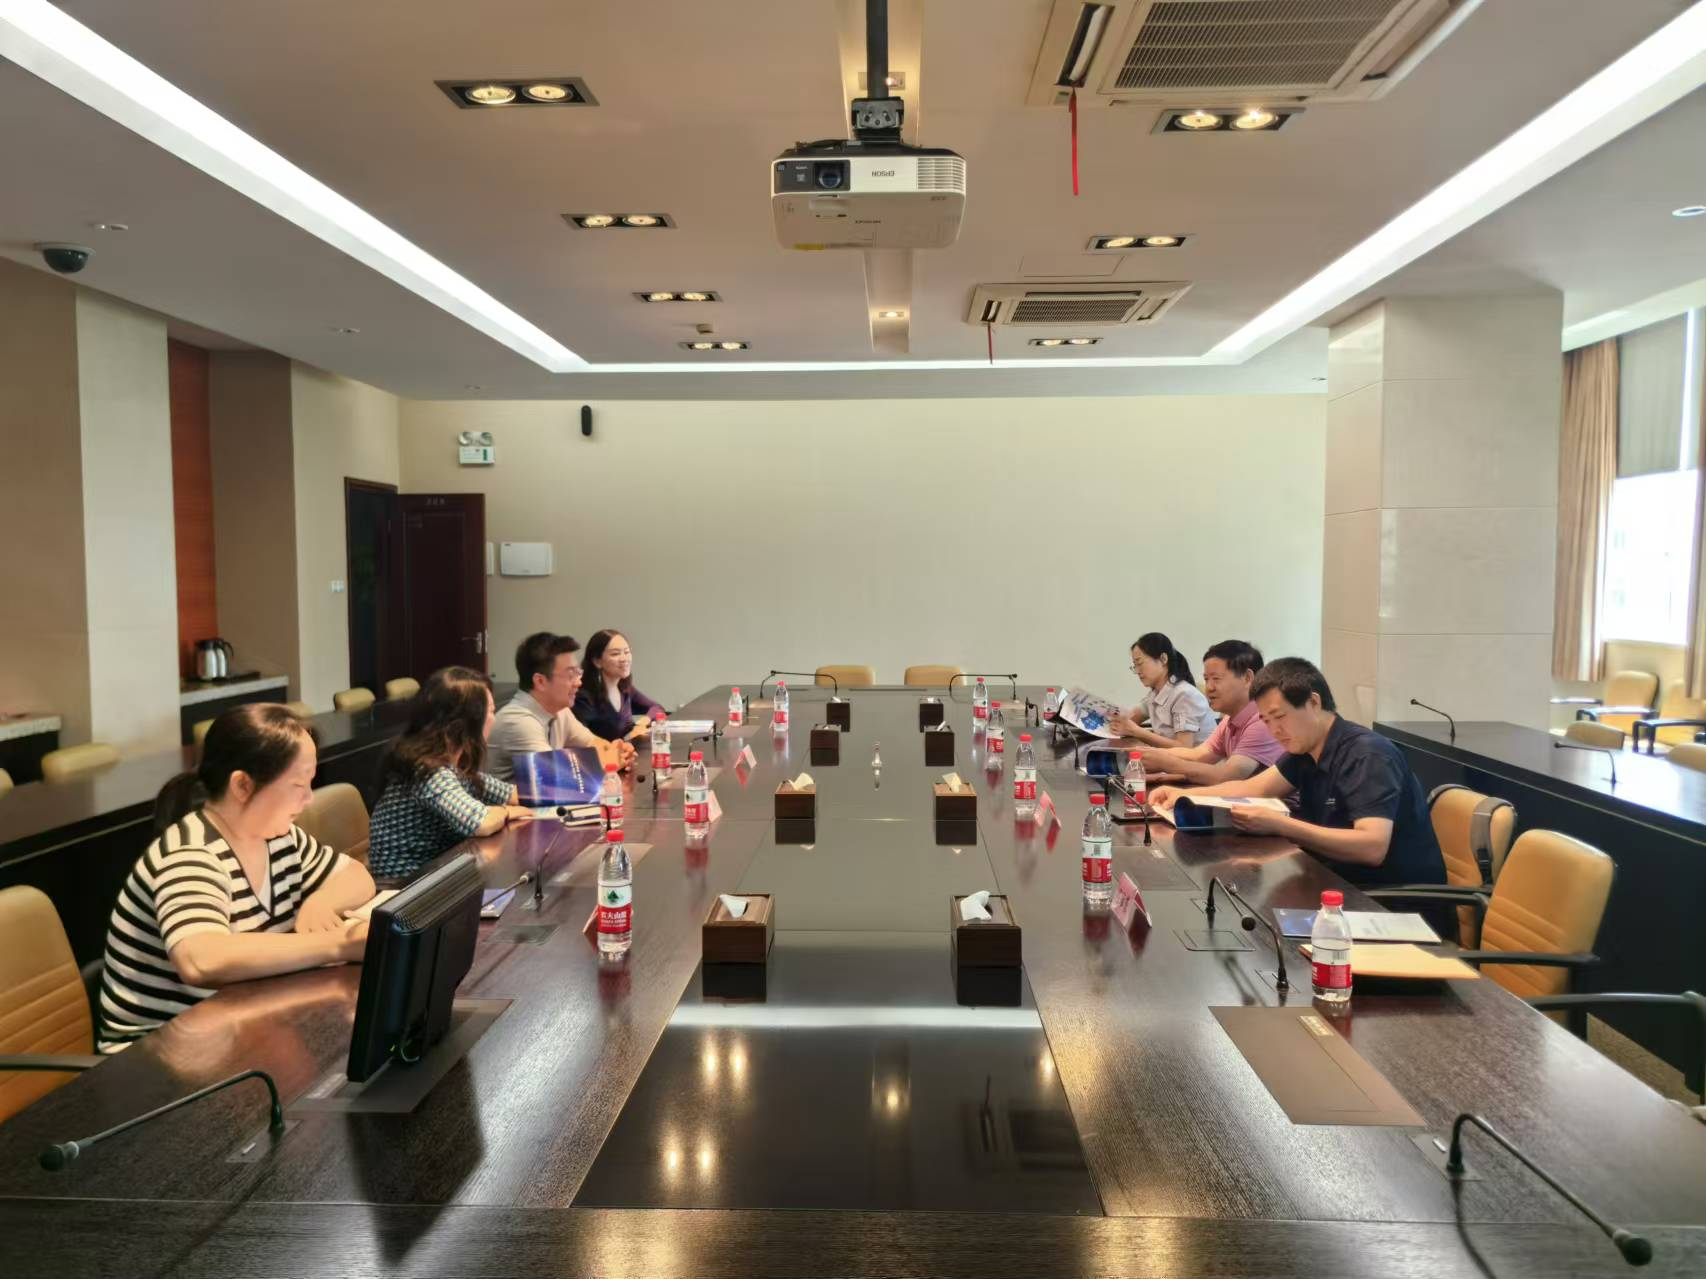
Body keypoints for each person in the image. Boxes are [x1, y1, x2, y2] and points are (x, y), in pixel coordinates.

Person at [96, 704, 376, 1053]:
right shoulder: (191, 854)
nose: (307, 799)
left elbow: (355, 876)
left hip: (239, 1026)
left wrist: (320, 902)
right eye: (297, 785)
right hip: (157, 1054)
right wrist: (337, 944)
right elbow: (201, 959)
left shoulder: (277, 835)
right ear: (243, 785)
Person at [1150, 658, 1448, 892]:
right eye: (1266, 721)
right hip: (1335, 881)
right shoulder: (1306, 750)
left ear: (1314, 703)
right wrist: (1183, 795)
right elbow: (1253, 789)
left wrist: (1283, 825)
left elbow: (1371, 847)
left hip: (1390, 903)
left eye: (1280, 717)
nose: (1275, 730)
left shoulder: (1367, 755)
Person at [368, 666, 534, 880]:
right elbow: (481, 823)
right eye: (491, 712)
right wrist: (507, 811)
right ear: (466, 722)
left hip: (440, 871)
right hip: (407, 885)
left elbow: (511, 793)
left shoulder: (453, 761)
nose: (494, 719)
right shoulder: (428, 769)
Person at [487, 632, 635, 784]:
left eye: (578, 673)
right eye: (571, 675)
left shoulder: (560, 711)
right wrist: (610, 761)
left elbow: (596, 746)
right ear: (540, 681)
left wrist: (620, 753)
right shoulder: (518, 722)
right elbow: (558, 781)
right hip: (519, 800)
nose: (579, 682)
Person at [1135, 640, 1286, 784]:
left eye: (1216, 679)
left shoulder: (1261, 721)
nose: (1209, 687)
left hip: (1274, 802)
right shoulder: (1229, 719)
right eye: (1207, 679)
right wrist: (1148, 754)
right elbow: (1200, 754)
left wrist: (1166, 763)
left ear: (1247, 678)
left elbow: (1226, 776)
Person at [1108, 632, 1217, 747]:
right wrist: (1116, 717)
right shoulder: (1155, 694)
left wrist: (1137, 731)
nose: (1138, 671)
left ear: (1163, 659)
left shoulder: (1184, 695)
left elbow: (1183, 747)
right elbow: (1132, 717)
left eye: (1140, 663)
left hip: (1199, 759)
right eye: (1135, 666)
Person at [574, 629, 667, 745]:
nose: (624, 659)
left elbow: (657, 708)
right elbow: (581, 742)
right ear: (597, 661)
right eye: (615, 654)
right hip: (602, 755)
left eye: (627, 652)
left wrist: (643, 722)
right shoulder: (583, 697)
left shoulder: (624, 688)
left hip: (627, 753)